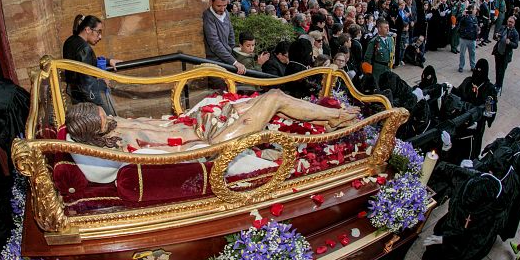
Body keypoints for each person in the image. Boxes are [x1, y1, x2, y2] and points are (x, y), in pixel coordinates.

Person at [66, 90, 359, 156]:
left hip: (201, 123)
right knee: (274, 100)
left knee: (273, 101)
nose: (110, 117)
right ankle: (337, 117)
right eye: (104, 120)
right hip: (212, 142)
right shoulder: (115, 146)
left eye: (104, 114)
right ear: (95, 132)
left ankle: (327, 123)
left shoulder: (113, 125)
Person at [63, 14, 122, 116]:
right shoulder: (84, 48)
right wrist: (103, 84)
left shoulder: (70, 41)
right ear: (87, 30)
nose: (100, 37)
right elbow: (87, 84)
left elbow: (83, 63)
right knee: (110, 121)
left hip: (75, 95)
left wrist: (108, 61)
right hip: (87, 98)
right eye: (98, 32)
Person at [203, 0, 246, 75]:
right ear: (211, 2)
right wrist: (234, 62)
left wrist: (231, 51)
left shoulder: (226, 12)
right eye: (219, 6)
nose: (222, 9)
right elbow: (214, 43)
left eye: (225, 5)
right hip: (216, 61)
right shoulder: (208, 17)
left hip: (228, 57)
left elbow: (231, 33)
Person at [364, 18, 395, 89]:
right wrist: (369, 73)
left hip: (388, 68)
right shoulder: (374, 42)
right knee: (378, 87)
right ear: (379, 29)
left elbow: (392, 53)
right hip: (378, 69)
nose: (388, 29)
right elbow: (367, 58)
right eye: (385, 27)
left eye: (388, 27)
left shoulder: (390, 39)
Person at [492, 15, 519, 95]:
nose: (510, 23)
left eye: (511, 22)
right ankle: (497, 83)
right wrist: (496, 36)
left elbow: (516, 45)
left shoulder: (515, 33)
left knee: (502, 71)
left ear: (514, 23)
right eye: (509, 21)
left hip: (505, 55)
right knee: (497, 69)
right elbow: (496, 36)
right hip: (498, 52)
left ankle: (499, 85)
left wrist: (510, 43)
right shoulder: (503, 28)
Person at [457, 5, 478, 73]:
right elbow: (459, 20)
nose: (476, 11)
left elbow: (476, 27)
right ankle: (461, 66)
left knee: (472, 54)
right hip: (464, 39)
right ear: (471, 10)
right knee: (462, 54)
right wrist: (463, 15)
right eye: (475, 9)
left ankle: (473, 66)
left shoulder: (475, 18)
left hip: (472, 39)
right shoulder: (465, 17)